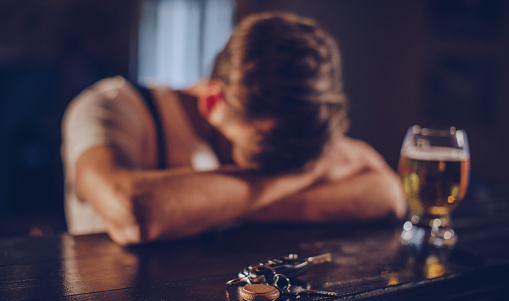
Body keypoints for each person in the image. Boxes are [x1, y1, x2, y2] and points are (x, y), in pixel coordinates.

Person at [61, 11, 406, 246]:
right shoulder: (110, 107)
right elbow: (133, 212)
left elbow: (388, 194)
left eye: (292, 161)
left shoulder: (288, 128)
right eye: (266, 152)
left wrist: (199, 209)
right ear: (213, 102)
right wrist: (301, 175)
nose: (278, 163)